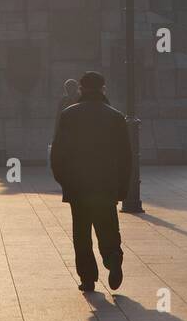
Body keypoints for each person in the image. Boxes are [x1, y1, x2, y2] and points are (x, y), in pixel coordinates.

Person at [50, 70, 131, 293]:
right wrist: (122, 188)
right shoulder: (115, 117)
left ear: (80, 90)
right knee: (107, 227)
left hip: (78, 186)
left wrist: (64, 181)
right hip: (105, 185)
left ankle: (88, 278)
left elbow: (58, 153)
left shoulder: (69, 115)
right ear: (103, 90)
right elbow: (126, 157)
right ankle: (113, 259)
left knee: (82, 233)